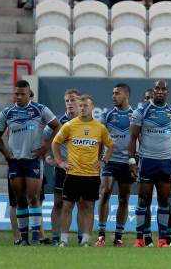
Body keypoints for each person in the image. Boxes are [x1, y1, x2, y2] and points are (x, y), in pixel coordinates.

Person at [0, 80, 60, 245]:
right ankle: (24, 239)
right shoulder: (7, 112)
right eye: (16, 93)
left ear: (29, 94)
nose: (19, 96)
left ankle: (36, 238)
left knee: (33, 197)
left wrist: (45, 148)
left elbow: (58, 127)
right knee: (20, 199)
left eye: (22, 93)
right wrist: (6, 153)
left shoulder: (40, 109)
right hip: (15, 161)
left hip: (33, 161)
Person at [129, 80, 171, 248]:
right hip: (147, 161)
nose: (160, 91)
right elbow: (132, 138)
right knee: (142, 201)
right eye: (157, 88)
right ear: (153, 91)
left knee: (164, 200)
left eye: (163, 89)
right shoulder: (142, 111)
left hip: (167, 162)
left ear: (168, 92)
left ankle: (163, 240)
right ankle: (140, 239)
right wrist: (132, 161)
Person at [53, 95, 114, 247]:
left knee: (89, 207)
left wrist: (103, 161)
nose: (82, 108)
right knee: (67, 206)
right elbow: (55, 143)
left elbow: (110, 145)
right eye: (80, 105)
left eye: (86, 105)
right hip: (73, 174)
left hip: (91, 175)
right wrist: (60, 162)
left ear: (92, 107)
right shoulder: (69, 125)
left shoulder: (99, 128)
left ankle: (86, 240)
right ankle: (63, 240)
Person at [96, 84, 134, 247]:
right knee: (105, 192)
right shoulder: (107, 115)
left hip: (127, 163)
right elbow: (99, 138)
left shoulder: (135, 116)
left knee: (124, 199)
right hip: (110, 161)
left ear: (126, 95)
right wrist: (99, 158)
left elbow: (139, 140)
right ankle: (101, 235)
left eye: (117, 93)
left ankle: (118, 237)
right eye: (112, 93)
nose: (113, 96)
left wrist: (135, 161)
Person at [43, 88, 80, 245]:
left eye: (73, 100)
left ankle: (82, 238)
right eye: (67, 101)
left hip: (82, 170)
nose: (70, 103)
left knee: (82, 204)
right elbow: (43, 138)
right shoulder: (58, 121)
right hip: (62, 168)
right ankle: (56, 237)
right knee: (58, 203)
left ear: (80, 102)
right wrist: (47, 157)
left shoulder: (88, 122)